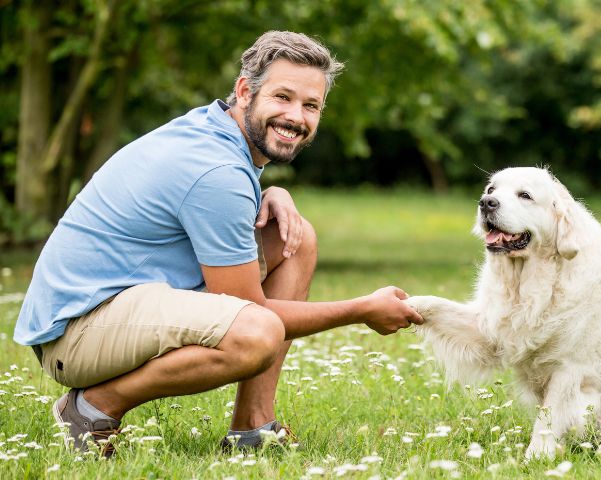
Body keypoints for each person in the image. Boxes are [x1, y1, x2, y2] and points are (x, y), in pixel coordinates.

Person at [13, 31, 423, 456]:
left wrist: (271, 194)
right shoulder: (217, 170)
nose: (296, 116)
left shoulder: (216, 131)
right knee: (256, 332)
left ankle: (253, 429)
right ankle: (91, 410)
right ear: (245, 91)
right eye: (282, 97)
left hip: (111, 304)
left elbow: (203, 204)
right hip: (76, 331)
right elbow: (249, 309)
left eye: (310, 105)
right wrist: (361, 310)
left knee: (294, 239)